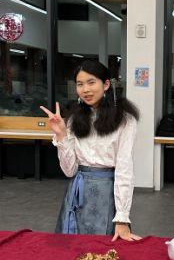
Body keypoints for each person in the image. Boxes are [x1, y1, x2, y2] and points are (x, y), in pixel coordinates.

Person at [40, 59, 142, 241]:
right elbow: (69, 170)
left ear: (106, 84)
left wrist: (122, 218)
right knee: (71, 254)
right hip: (77, 193)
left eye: (91, 82)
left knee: (104, 253)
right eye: (80, 84)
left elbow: (124, 169)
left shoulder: (125, 120)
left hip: (106, 194)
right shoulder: (72, 120)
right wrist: (62, 135)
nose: (85, 89)